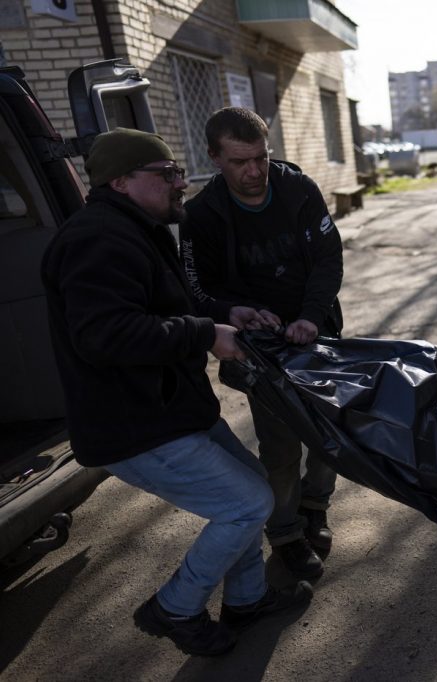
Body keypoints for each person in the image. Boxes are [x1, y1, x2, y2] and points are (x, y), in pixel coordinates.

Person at [41, 128, 312, 657]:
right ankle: (176, 607)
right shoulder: (96, 239)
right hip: (134, 426)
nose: (179, 183)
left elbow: (166, 303)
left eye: (178, 172)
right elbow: (105, 335)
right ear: (120, 181)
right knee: (248, 503)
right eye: (165, 174)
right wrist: (208, 335)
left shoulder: (133, 227)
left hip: (171, 408)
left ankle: (247, 600)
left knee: (251, 488)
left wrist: (222, 313)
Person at [180, 107, 344, 581]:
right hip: (260, 347)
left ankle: (316, 507)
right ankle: (287, 533)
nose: (254, 171)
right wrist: (237, 312)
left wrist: (312, 317)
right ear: (214, 157)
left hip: (318, 332)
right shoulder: (201, 215)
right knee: (280, 446)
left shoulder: (298, 190)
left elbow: (327, 259)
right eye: (239, 161)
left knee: (330, 435)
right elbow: (196, 289)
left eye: (261, 158)